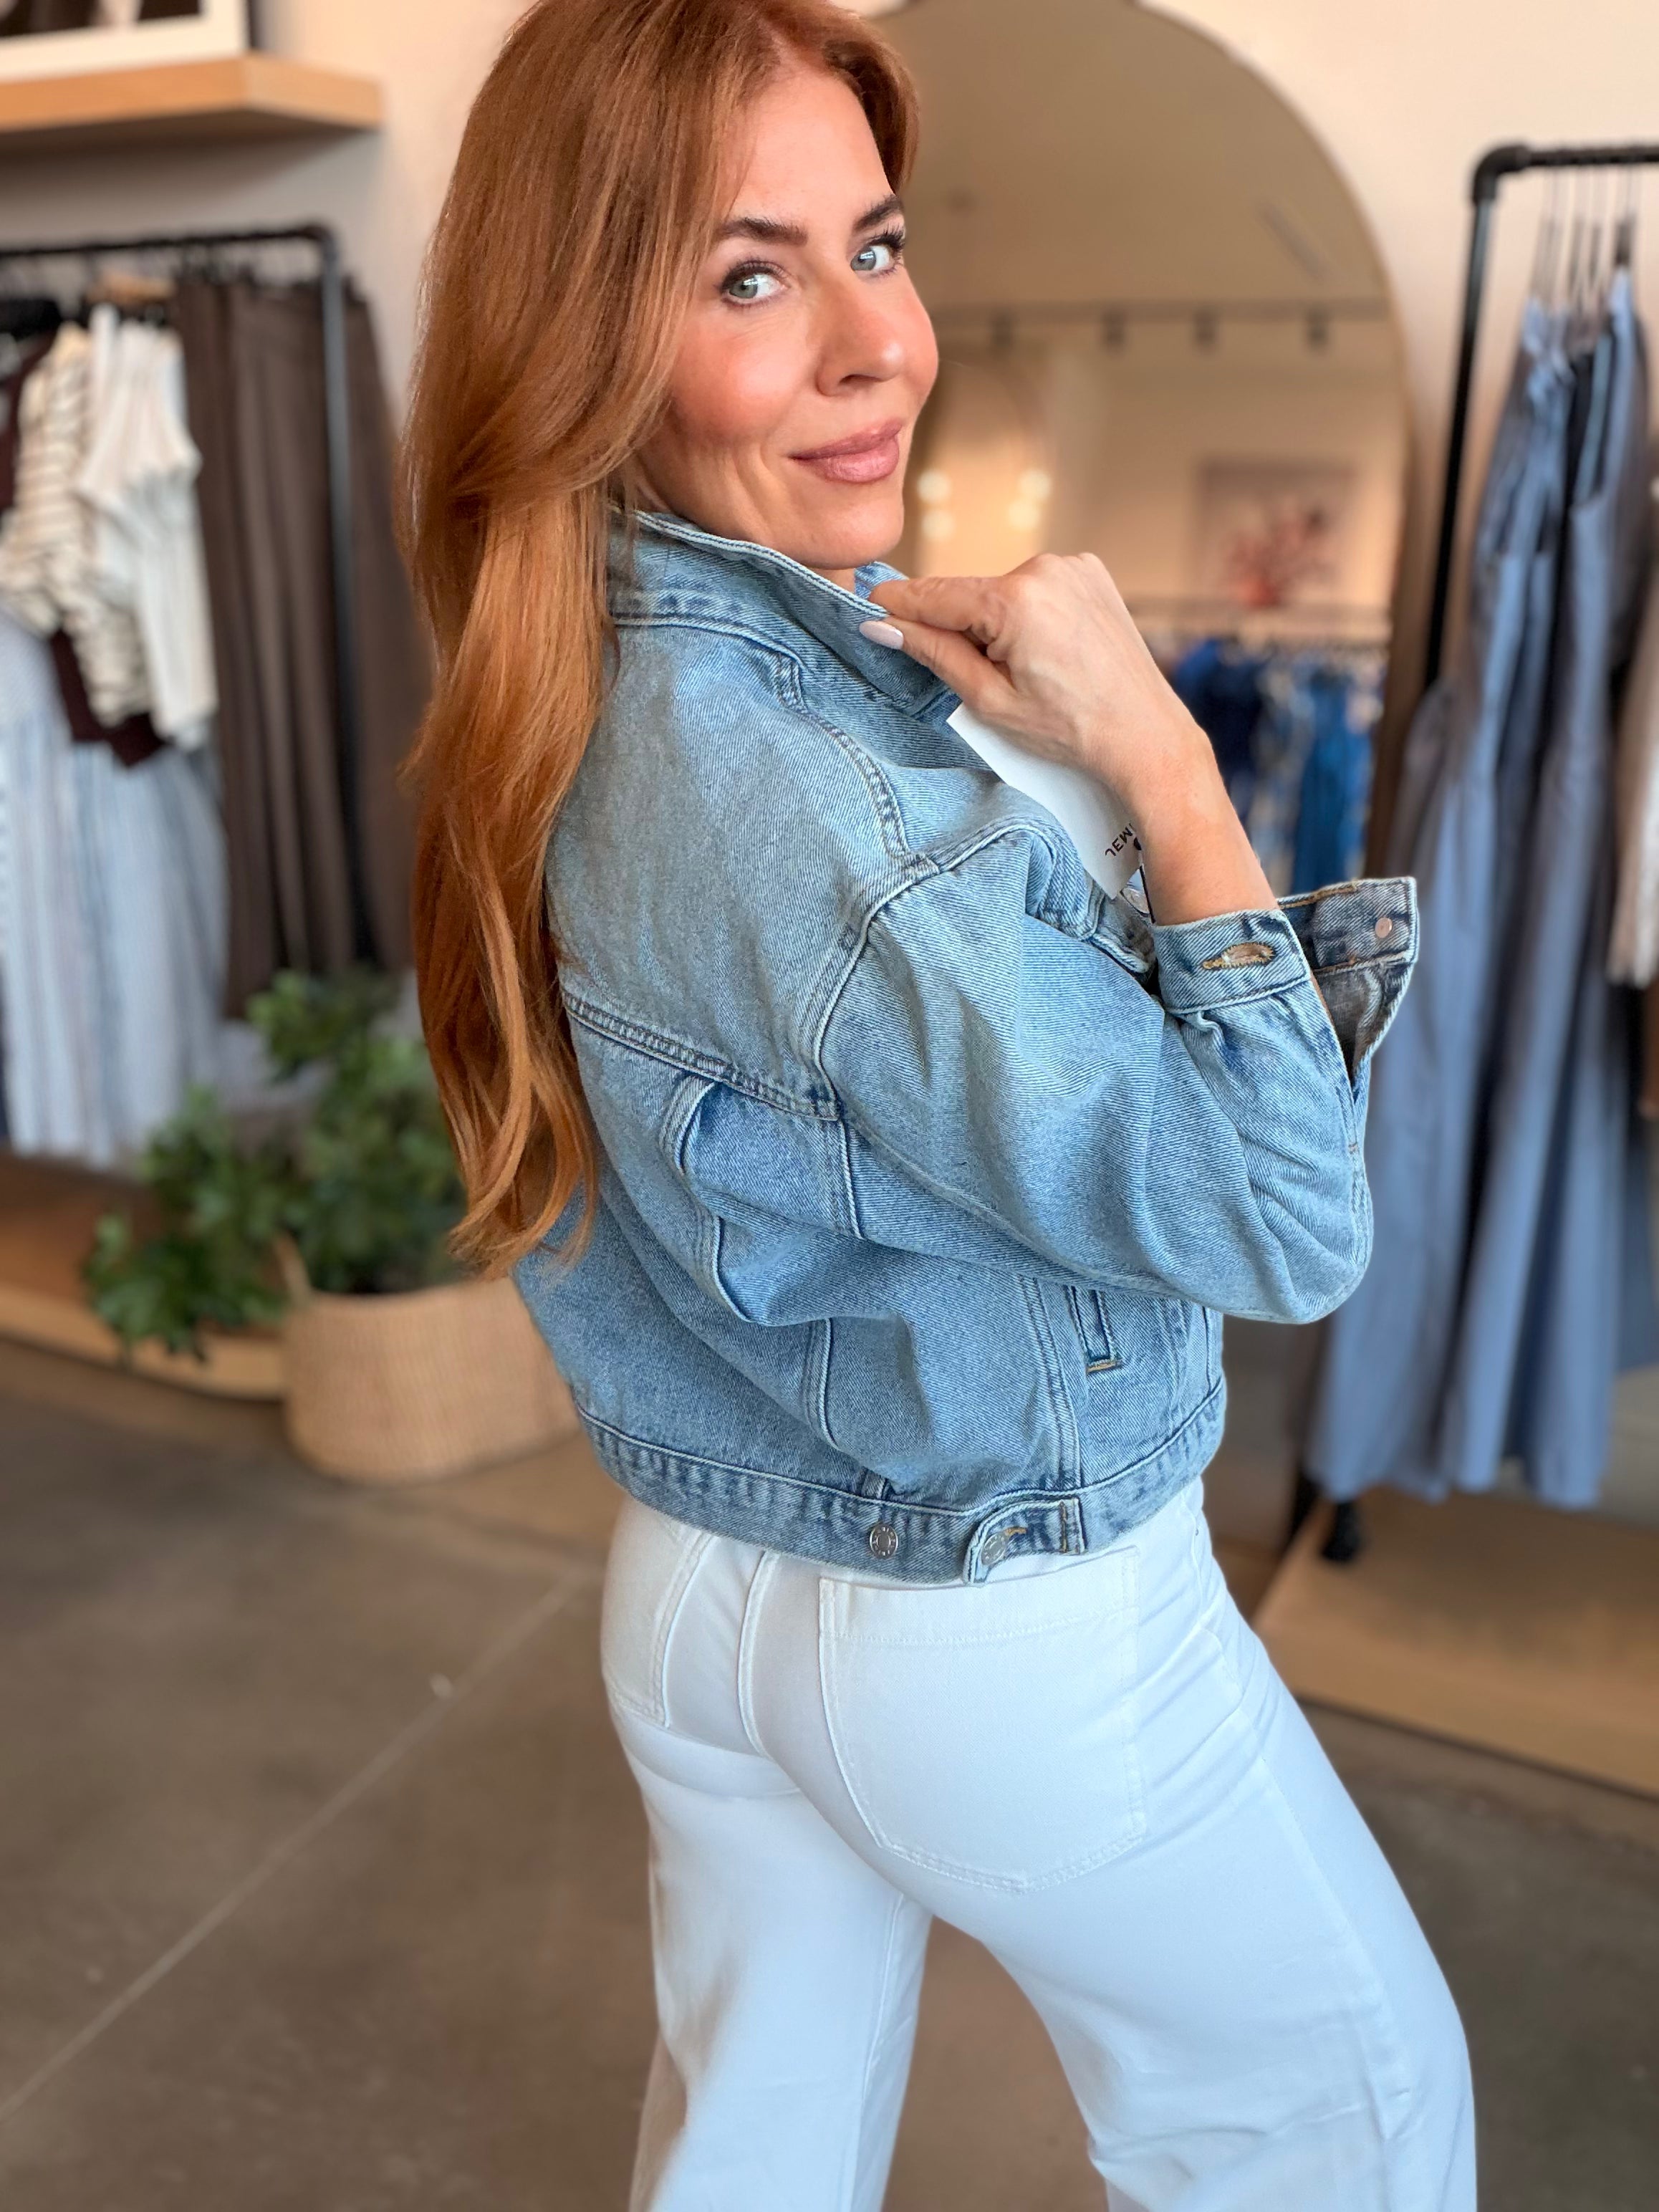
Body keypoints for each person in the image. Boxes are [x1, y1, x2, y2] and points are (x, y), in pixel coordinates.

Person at [401, 1, 1475, 2203]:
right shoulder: (834, 811)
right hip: (1001, 1613)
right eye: (749, 277)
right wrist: (1163, 760)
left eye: (873, 246)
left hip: (705, 1579)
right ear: (587, 343)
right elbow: (1279, 1221)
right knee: (1353, 2130)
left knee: (751, 2153)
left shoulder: (574, 673)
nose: (876, 344)